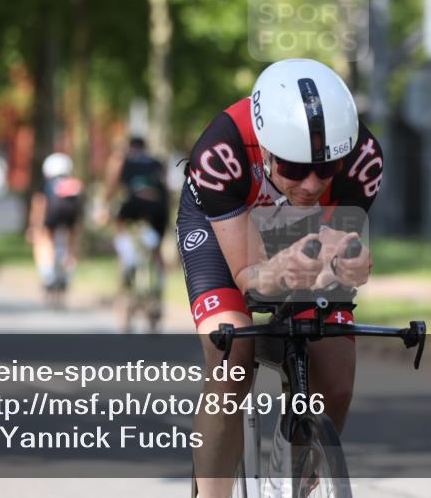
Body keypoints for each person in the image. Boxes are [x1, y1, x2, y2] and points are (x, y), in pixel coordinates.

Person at [177, 58, 384, 497]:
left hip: (298, 228)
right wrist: (275, 272)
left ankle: (293, 480)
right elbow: (250, 276)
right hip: (227, 227)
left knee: (336, 377)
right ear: (266, 149)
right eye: (293, 167)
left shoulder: (363, 159)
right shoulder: (221, 150)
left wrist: (347, 264)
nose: (311, 183)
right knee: (231, 358)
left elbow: (336, 249)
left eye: (325, 168)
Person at [104, 136, 168, 294]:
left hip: (134, 202)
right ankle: (160, 282)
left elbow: (112, 184)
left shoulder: (123, 160)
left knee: (119, 225)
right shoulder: (156, 162)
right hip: (158, 205)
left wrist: (106, 204)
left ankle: (127, 260)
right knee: (157, 248)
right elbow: (165, 187)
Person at [27, 153, 84, 297]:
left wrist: (35, 226)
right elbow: (80, 208)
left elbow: (39, 204)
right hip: (70, 217)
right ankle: (69, 268)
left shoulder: (47, 185)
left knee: (44, 239)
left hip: (52, 215)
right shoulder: (75, 184)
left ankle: (48, 274)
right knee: (71, 241)